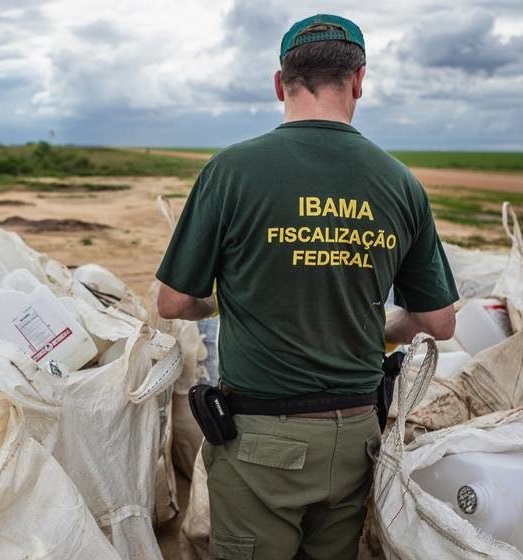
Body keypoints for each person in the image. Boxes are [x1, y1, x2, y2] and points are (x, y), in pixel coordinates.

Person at [155, 13, 458, 560]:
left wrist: (236, 299)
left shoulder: (231, 171)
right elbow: (439, 323)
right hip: (358, 436)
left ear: (280, 83)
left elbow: (174, 301)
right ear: (358, 80)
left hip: (260, 441)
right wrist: (378, 328)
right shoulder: (400, 182)